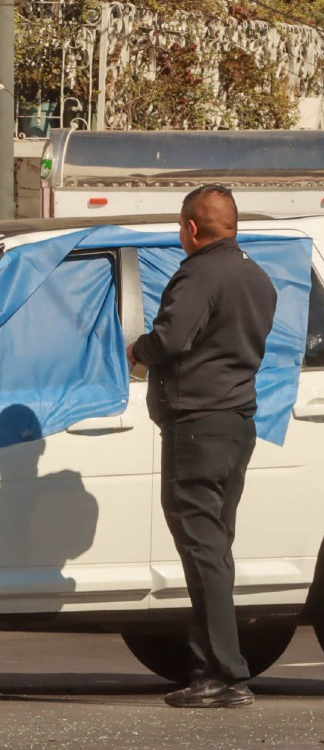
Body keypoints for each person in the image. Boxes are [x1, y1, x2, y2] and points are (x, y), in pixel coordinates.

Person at [127, 184, 277, 709]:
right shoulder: (257, 277)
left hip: (197, 425)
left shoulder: (197, 273)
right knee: (215, 549)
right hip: (236, 423)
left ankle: (224, 674)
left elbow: (169, 340)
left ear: (192, 227)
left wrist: (136, 348)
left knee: (202, 550)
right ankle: (210, 665)